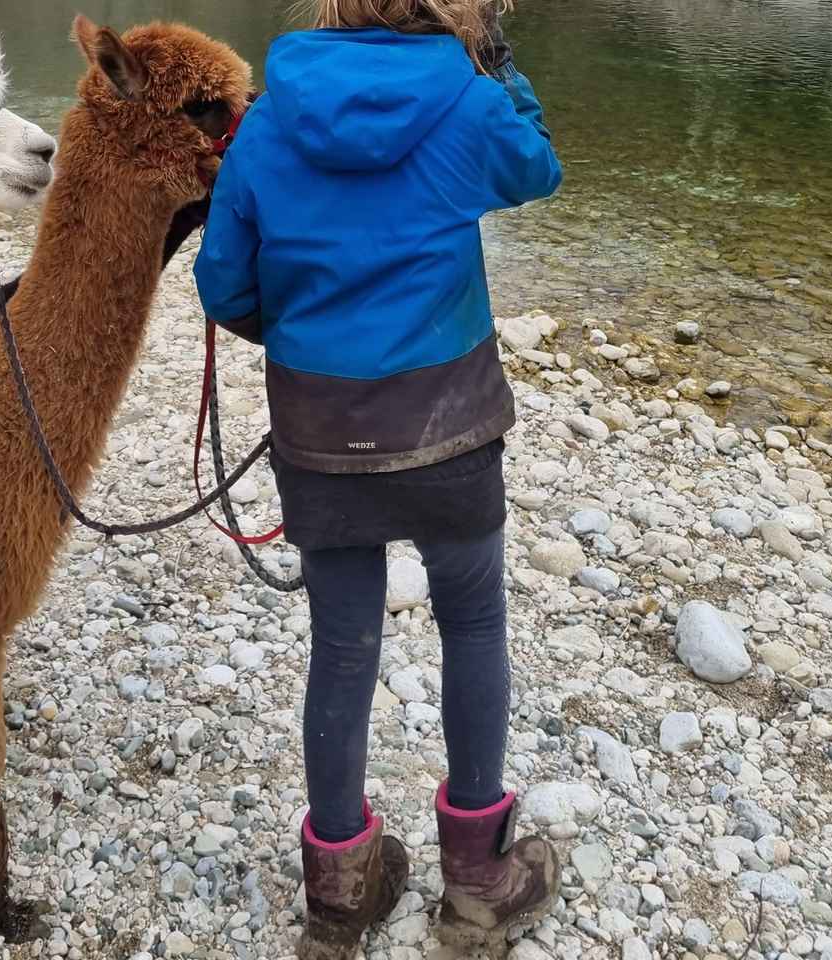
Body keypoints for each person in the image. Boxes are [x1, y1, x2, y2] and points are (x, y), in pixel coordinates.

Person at [193, 1, 563, 956]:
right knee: (473, 622)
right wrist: (500, 66)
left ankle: (340, 893)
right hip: (451, 425)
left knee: (344, 644)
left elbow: (224, 285)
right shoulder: (470, 105)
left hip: (319, 433)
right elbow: (539, 167)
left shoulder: (270, 120)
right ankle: (479, 882)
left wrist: (313, 341)